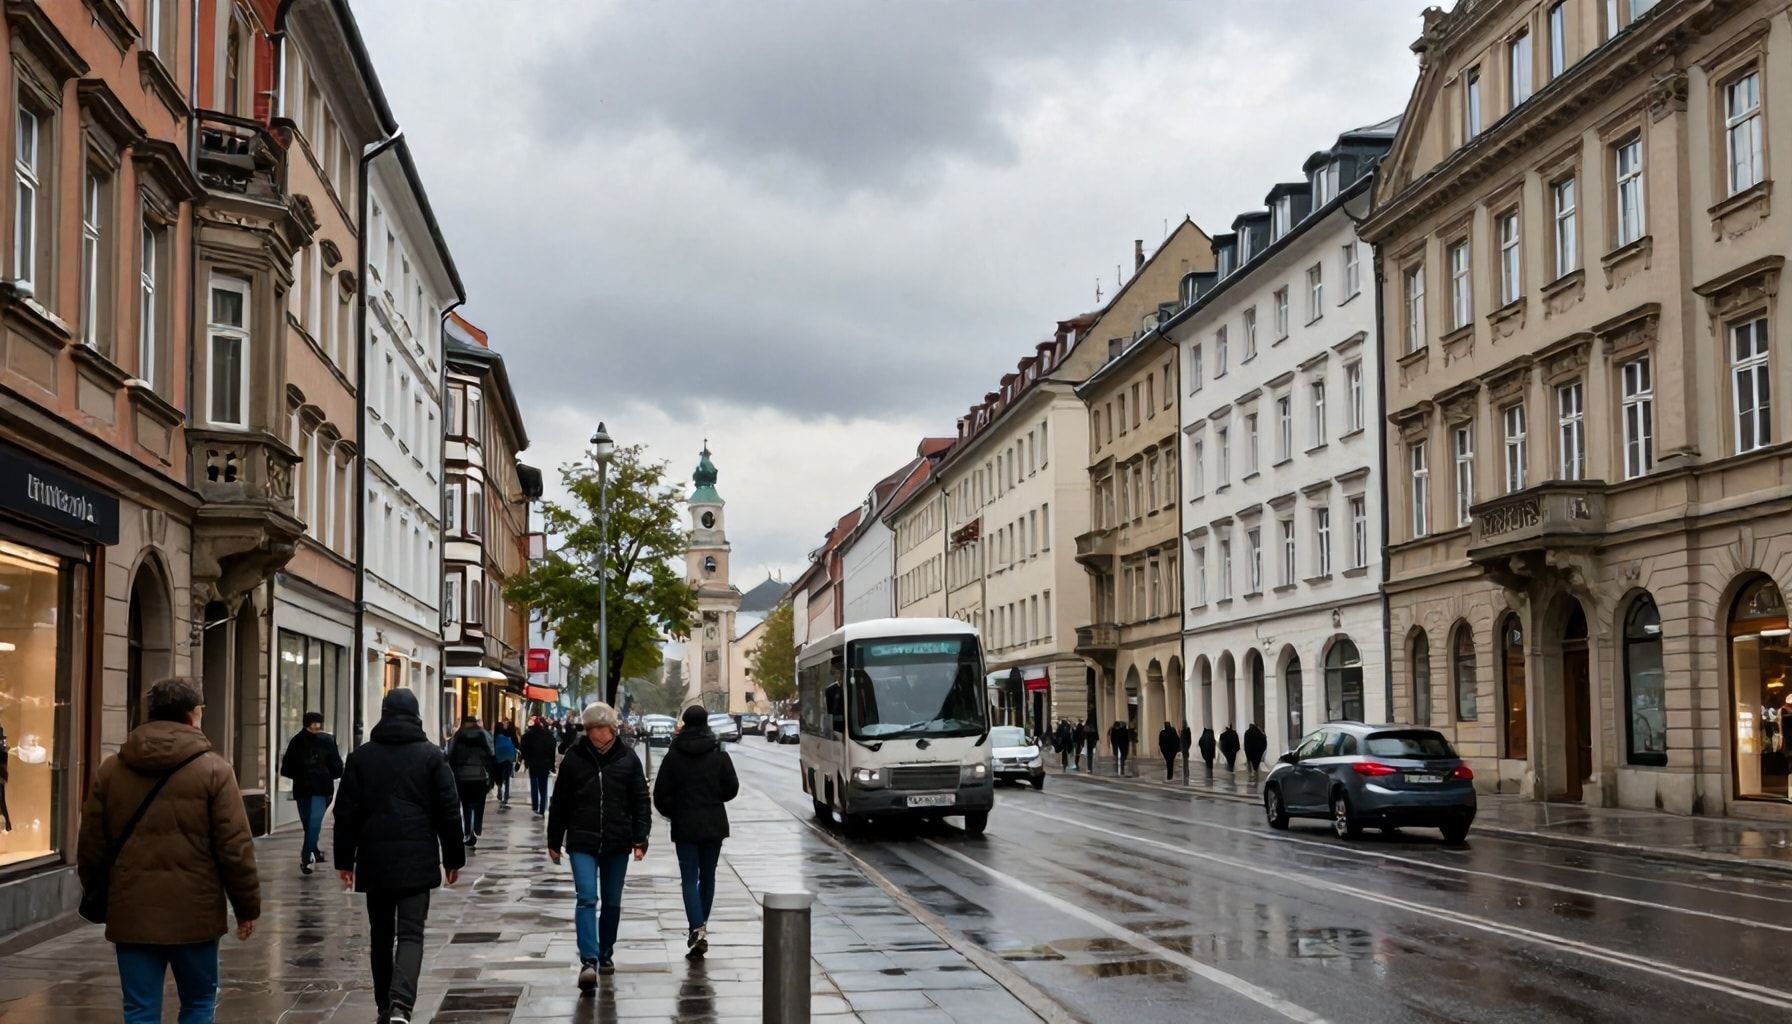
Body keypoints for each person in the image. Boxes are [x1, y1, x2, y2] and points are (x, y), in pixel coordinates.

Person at [78, 677, 260, 1024]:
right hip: (197, 912)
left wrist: (103, 894)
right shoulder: (215, 770)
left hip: (132, 909)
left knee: (139, 1009)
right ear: (193, 715)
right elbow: (235, 848)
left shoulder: (112, 768)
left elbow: (90, 846)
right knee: (198, 1002)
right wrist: (247, 906)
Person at [334, 688, 465, 1024]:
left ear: (384, 713)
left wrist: (343, 861)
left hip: (375, 860)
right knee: (410, 933)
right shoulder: (432, 756)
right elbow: (448, 811)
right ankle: (401, 1006)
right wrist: (453, 857)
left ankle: (383, 1003)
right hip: (417, 858)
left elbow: (346, 813)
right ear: (417, 715)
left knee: (380, 934)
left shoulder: (361, 757)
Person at [547, 702, 651, 989]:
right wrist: (554, 840)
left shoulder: (627, 759)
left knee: (612, 902)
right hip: (581, 840)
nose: (597, 734)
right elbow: (560, 802)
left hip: (618, 842)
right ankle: (589, 960)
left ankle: (606, 953)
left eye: (602, 729)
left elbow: (641, 801)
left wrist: (640, 838)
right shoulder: (574, 758)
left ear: (612, 729)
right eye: (592, 729)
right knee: (587, 897)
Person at [653, 705, 740, 959]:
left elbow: (660, 795)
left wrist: (675, 811)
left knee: (689, 878)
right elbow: (731, 788)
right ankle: (701, 926)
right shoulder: (718, 752)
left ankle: (696, 927)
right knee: (708, 875)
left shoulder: (673, 754)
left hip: (685, 824)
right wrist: (715, 797)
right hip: (713, 822)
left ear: (684, 723)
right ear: (706, 722)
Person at [278, 711, 344, 874]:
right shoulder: (321, 741)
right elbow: (336, 767)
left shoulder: (302, 741)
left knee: (312, 822)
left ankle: (307, 856)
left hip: (314, 788)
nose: (316, 726)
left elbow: (287, 768)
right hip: (311, 787)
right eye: (313, 723)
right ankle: (312, 849)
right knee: (310, 823)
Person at [447, 716, 497, 849]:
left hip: (462, 777)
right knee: (479, 803)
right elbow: (491, 755)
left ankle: (468, 831)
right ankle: (477, 827)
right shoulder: (483, 735)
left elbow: (450, 756)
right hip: (480, 776)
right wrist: (491, 777)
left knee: (466, 805)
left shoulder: (458, 736)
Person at [520, 716, 559, 817]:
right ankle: (542, 808)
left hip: (533, 763)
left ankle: (535, 805)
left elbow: (523, 748)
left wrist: (525, 760)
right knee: (543, 785)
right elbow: (552, 749)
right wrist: (552, 764)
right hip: (545, 763)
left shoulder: (528, 736)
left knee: (534, 783)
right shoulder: (548, 735)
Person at [492, 722, 519, 807]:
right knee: (507, 778)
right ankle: (506, 796)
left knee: (498, 775)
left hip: (499, 757)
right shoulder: (508, 735)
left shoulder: (495, 737)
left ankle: (499, 789)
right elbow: (516, 745)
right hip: (509, 756)